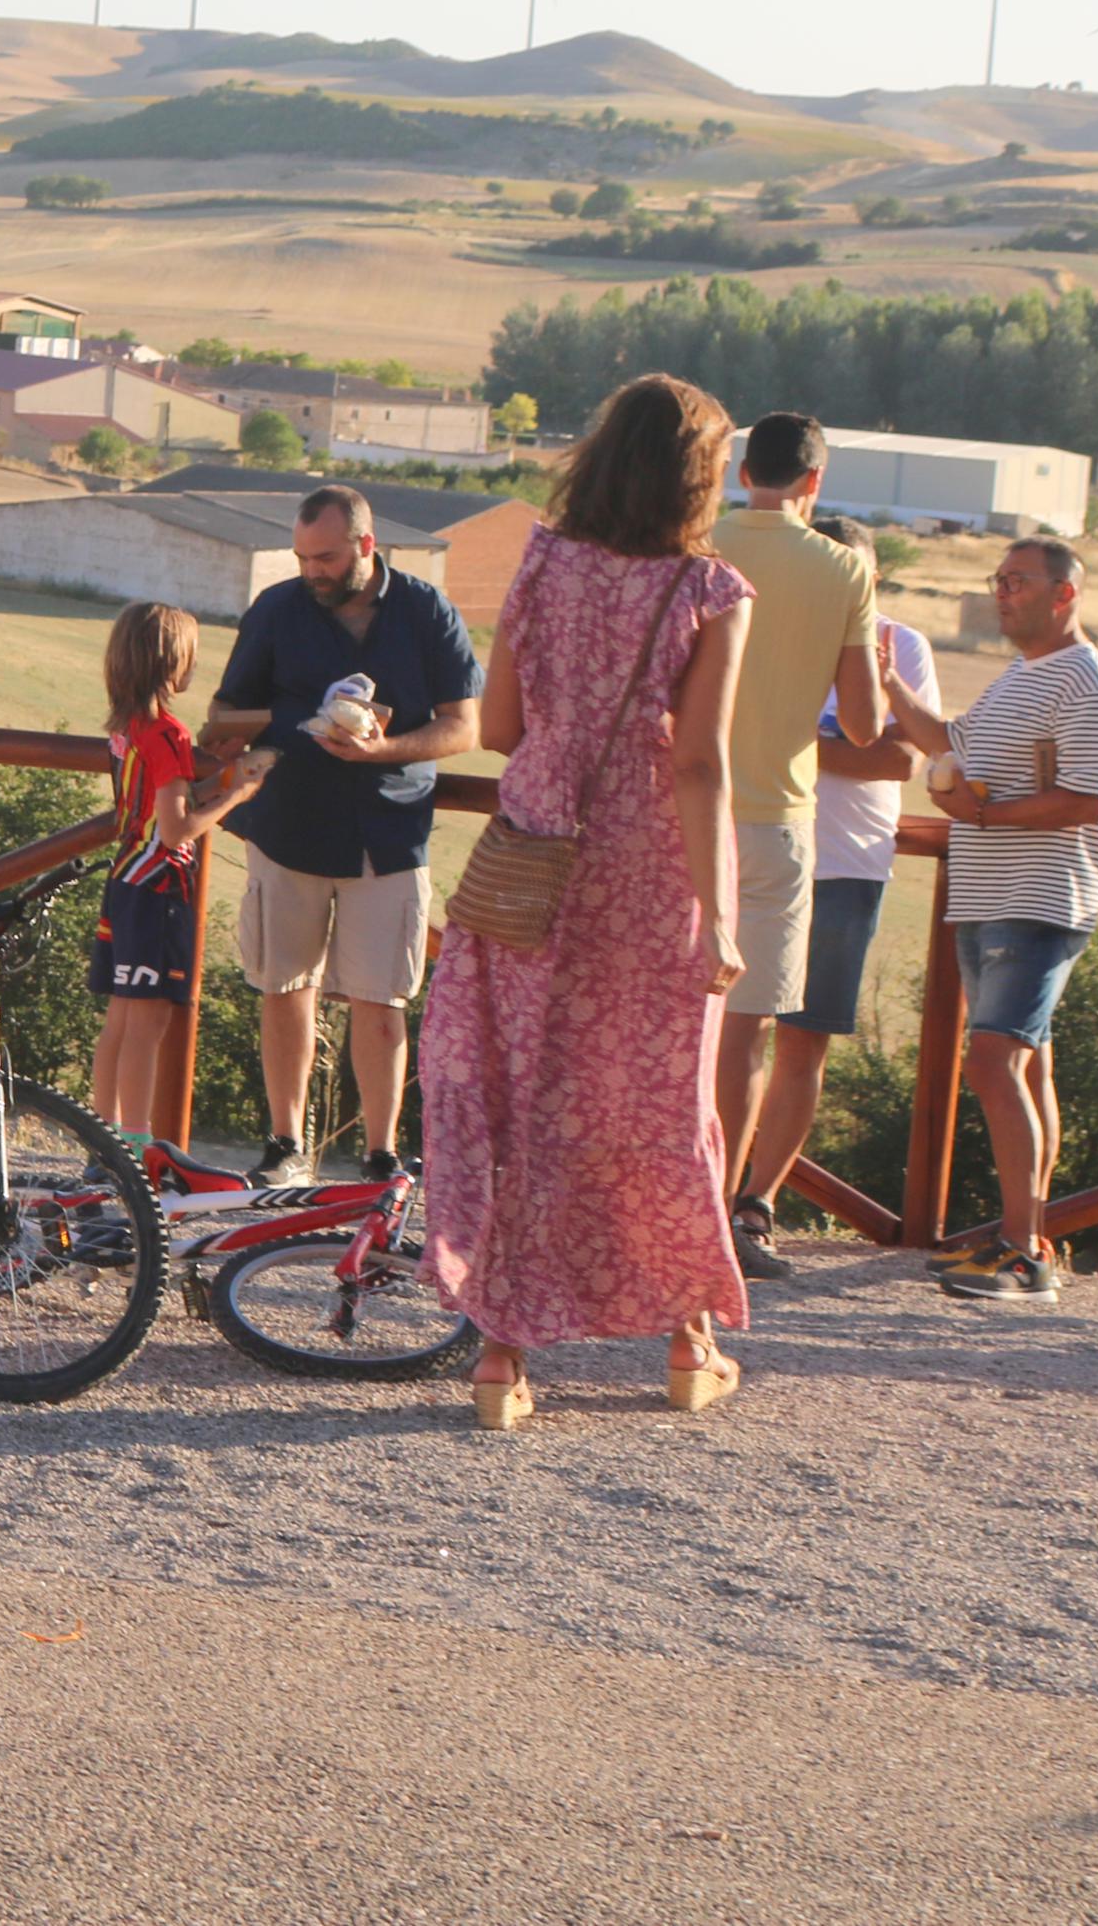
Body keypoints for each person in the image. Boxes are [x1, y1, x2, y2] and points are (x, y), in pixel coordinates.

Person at [418, 372, 754, 1427]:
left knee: (525, 1093)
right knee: (657, 1099)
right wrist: (722, 915)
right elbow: (699, 765)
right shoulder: (711, 593)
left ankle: (501, 1359)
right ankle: (684, 1343)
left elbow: (503, 722)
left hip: (536, 862)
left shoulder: (542, 559)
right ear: (698, 477)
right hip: (653, 873)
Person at [205, 484, 483, 1183]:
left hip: (386, 835)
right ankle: (282, 1146)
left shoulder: (425, 611)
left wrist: (380, 750)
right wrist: (246, 748)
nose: (312, 571)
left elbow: (464, 726)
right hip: (285, 828)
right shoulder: (276, 607)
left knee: (381, 1000)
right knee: (282, 988)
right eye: (302, 557)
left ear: (366, 545)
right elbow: (226, 705)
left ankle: (378, 1156)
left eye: (324, 557)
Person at [732, 509, 944, 1277]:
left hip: (846, 862)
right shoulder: (762, 627)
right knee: (732, 1034)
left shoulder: (902, 645)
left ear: (869, 578)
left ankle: (755, 1203)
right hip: (750, 846)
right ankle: (706, 1198)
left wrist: (785, 740)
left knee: (801, 1041)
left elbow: (899, 760)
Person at [924, 535, 1098, 1309]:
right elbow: (953, 744)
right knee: (1027, 1063)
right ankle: (1027, 1236)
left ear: (1064, 593)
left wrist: (979, 811)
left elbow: (1085, 799)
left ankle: (1022, 1256)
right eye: (998, 579)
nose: (1001, 592)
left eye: (1017, 581)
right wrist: (880, 678)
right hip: (989, 893)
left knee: (991, 1063)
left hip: (1039, 897)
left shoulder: (1085, 682)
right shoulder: (1021, 675)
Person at [709, 415, 891, 1282]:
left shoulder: (694, 543)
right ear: (814, 484)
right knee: (747, 1035)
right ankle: (723, 1210)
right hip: (778, 816)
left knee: (669, 1018)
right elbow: (861, 723)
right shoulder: (844, 567)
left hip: (681, 809)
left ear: (744, 470)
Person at [86, 599, 268, 1146]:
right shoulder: (166, 733)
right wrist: (237, 795)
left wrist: (211, 781)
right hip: (158, 888)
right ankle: (138, 1152)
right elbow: (176, 830)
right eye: (189, 654)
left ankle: (103, 1141)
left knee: (120, 1022)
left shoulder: (128, 727)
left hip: (125, 881)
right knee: (149, 1027)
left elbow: (160, 800)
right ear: (169, 664)